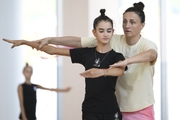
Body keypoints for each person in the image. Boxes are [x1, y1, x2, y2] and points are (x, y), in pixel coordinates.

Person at [25, 2, 157, 120]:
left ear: (142, 25)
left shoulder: (146, 45)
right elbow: (77, 41)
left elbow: (151, 55)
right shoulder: (112, 39)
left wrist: (126, 62)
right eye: (124, 21)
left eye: (132, 22)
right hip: (119, 106)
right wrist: (50, 39)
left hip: (141, 108)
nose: (127, 26)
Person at [3, 9, 127, 120]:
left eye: (108, 31)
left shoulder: (116, 56)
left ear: (112, 32)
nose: (105, 34)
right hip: (90, 109)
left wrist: (102, 72)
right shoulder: (86, 53)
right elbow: (52, 50)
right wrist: (26, 42)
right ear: (94, 32)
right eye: (101, 31)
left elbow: (121, 70)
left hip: (111, 110)